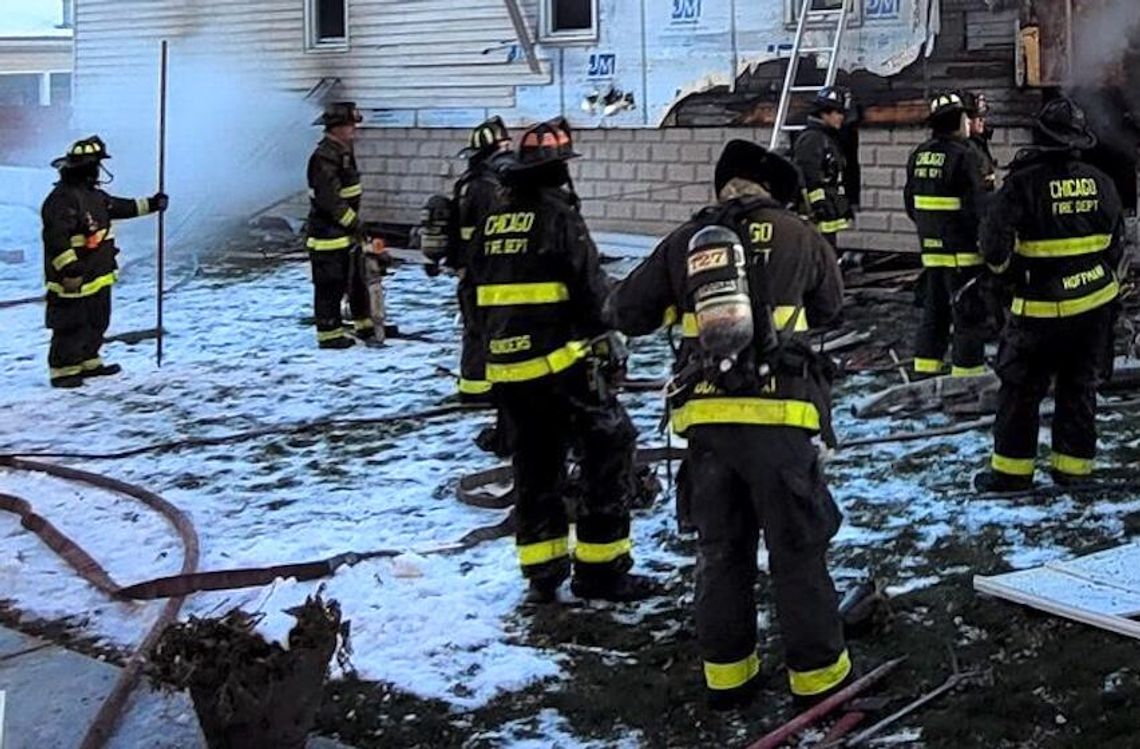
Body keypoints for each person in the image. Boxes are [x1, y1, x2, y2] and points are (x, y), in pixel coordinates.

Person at [606, 140, 850, 711]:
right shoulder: (798, 233)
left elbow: (628, 312)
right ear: (773, 189)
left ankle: (728, 678)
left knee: (721, 550)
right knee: (797, 549)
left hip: (708, 424)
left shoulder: (686, 242)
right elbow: (833, 307)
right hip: (782, 417)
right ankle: (816, 680)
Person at [465, 117, 655, 604]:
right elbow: (591, 291)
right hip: (560, 367)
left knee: (536, 467)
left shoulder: (492, 222)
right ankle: (601, 570)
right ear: (555, 172)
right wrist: (608, 339)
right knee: (609, 449)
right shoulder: (558, 217)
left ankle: (542, 573)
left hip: (509, 372)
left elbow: (470, 296)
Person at [974, 97, 1125, 492]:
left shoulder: (1021, 184)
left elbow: (993, 248)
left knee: (1021, 392)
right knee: (1080, 388)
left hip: (1038, 309)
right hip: (1095, 305)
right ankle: (1073, 472)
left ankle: (1011, 475)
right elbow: (1115, 246)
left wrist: (1006, 278)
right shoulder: (1102, 181)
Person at [41, 135, 167, 388]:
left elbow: (121, 207)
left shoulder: (94, 196)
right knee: (70, 324)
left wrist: (153, 204)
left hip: (97, 275)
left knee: (97, 320)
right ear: (83, 168)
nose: (98, 170)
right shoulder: (62, 200)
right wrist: (70, 269)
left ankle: (89, 360)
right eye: (95, 165)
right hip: (73, 279)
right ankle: (63, 370)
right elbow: (57, 239)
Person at [422, 117, 513, 401]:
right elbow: (488, 235)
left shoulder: (470, 182)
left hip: (473, 271)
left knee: (478, 328)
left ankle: (477, 385)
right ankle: (477, 388)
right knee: (484, 329)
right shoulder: (485, 188)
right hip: (483, 273)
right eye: (505, 145)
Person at [903, 91, 989, 377]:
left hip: (931, 251)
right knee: (968, 317)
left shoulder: (919, 154)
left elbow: (910, 205)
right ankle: (967, 378)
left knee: (934, 314)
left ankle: (925, 371)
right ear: (960, 120)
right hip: (963, 254)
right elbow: (979, 208)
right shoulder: (967, 156)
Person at [306, 101, 379, 349]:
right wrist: (354, 223)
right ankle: (329, 334)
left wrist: (355, 227)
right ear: (335, 127)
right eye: (349, 125)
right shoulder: (324, 157)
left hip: (345, 233)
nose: (353, 130)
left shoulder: (343, 152)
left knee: (356, 280)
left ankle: (365, 325)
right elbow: (330, 200)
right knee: (330, 285)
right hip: (328, 235)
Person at [793, 86, 854, 250]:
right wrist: (819, 206)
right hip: (817, 216)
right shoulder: (812, 139)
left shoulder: (827, 137)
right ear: (825, 113)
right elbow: (809, 175)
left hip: (828, 212)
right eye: (838, 113)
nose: (842, 118)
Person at [963, 91, 998, 193]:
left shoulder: (980, 143)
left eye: (983, 116)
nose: (982, 120)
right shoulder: (966, 147)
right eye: (978, 117)